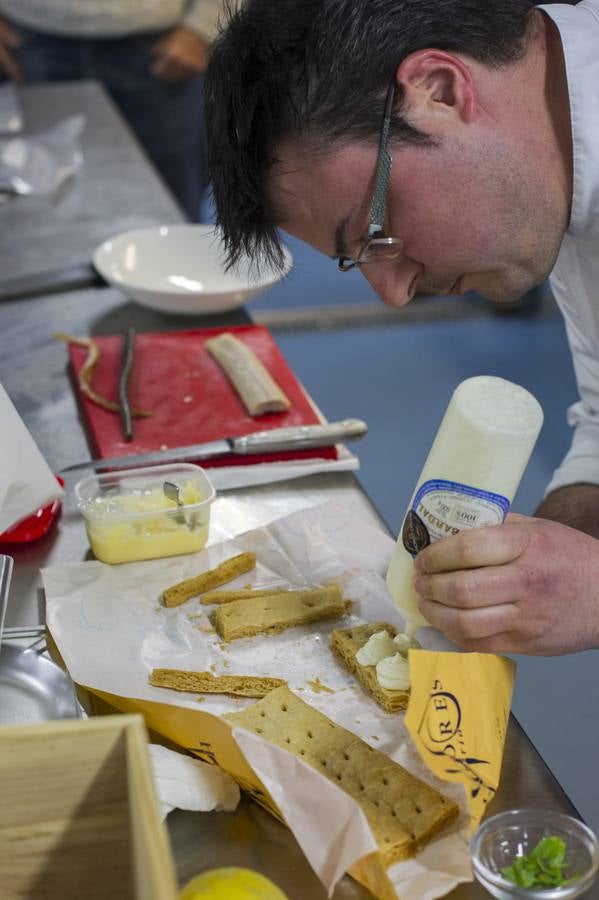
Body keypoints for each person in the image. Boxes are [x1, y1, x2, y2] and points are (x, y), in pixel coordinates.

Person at [204, 0, 599, 656]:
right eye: (354, 259)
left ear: (440, 91)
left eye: (376, 235)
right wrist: (525, 564)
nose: (392, 293)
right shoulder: (547, 172)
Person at [0, 0, 227, 219]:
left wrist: (206, 23)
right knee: (35, 224)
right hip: (27, 40)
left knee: (171, 216)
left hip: (163, 47)